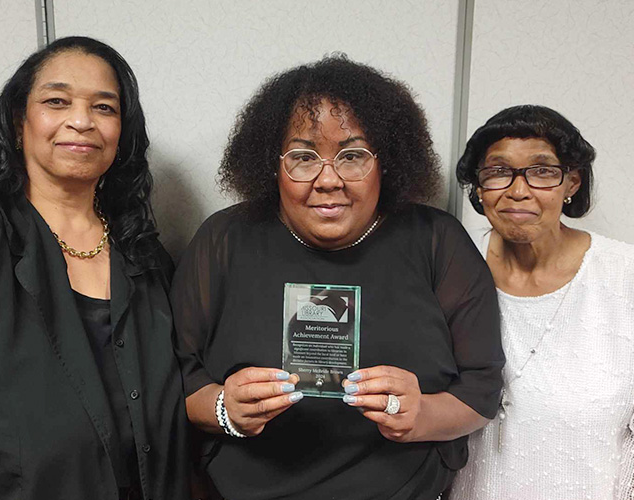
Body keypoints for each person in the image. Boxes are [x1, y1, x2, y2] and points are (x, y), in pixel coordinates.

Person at [172, 56, 505, 500]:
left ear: (386, 162)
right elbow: (177, 377)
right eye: (304, 157)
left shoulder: (435, 240)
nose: (329, 179)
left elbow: (481, 387)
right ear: (272, 165)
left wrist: (422, 413)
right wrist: (224, 408)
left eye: (352, 156)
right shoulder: (225, 239)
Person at [0, 36, 188, 500]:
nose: (81, 121)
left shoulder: (144, 253)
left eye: (104, 108)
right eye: (57, 101)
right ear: (20, 122)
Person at [449, 105, 634, 499]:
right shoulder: (452, 272)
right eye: (499, 171)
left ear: (572, 183)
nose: (519, 190)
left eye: (542, 171)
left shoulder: (624, 276)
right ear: (478, 188)